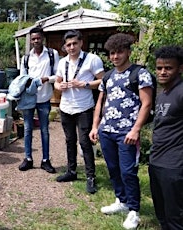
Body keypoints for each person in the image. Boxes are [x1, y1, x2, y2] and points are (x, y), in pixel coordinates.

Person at [89, 33, 153, 229]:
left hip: (127, 133)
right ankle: (121, 201)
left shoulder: (140, 73)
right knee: (113, 168)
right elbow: (100, 102)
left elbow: (147, 103)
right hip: (107, 130)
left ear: (128, 52)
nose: (115, 56)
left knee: (128, 171)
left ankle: (134, 210)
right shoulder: (108, 76)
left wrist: (136, 129)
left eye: (119, 52)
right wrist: (95, 126)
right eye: (112, 53)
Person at [53, 30, 104, 194]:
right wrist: (59, 86)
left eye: (75, 43)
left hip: (84, 108)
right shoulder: (62, 62)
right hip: (66, 107)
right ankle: (71, 171)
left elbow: (103, 81)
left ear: (81, 43)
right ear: (64, 47)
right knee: (69, 141)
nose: (72, 47)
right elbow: (57, 81)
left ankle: (91, 177)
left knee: (85, 142)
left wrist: (85, 84)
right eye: (68, 44)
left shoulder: (92, 60)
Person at [149, 45, 183, 230]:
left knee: (175, 217)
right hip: (157, 162)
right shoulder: (163, 94)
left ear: (180, 69)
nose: (162, 72)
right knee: (162, 214)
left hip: (175, 166)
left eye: (168, 68)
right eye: (159, 68)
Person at [18, 27, 59, 173]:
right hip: (29, 98)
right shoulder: (26, 58)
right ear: (31, 40)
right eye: (33, 38)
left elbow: (58, 75)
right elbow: (22, 78)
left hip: (44, 98)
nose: (36, 41)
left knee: (44, 130)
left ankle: (45, 160)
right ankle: (28, 159)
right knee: (28, 129)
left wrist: (46, 79)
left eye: (38, 38)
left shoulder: (52, 54)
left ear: (43, 38)